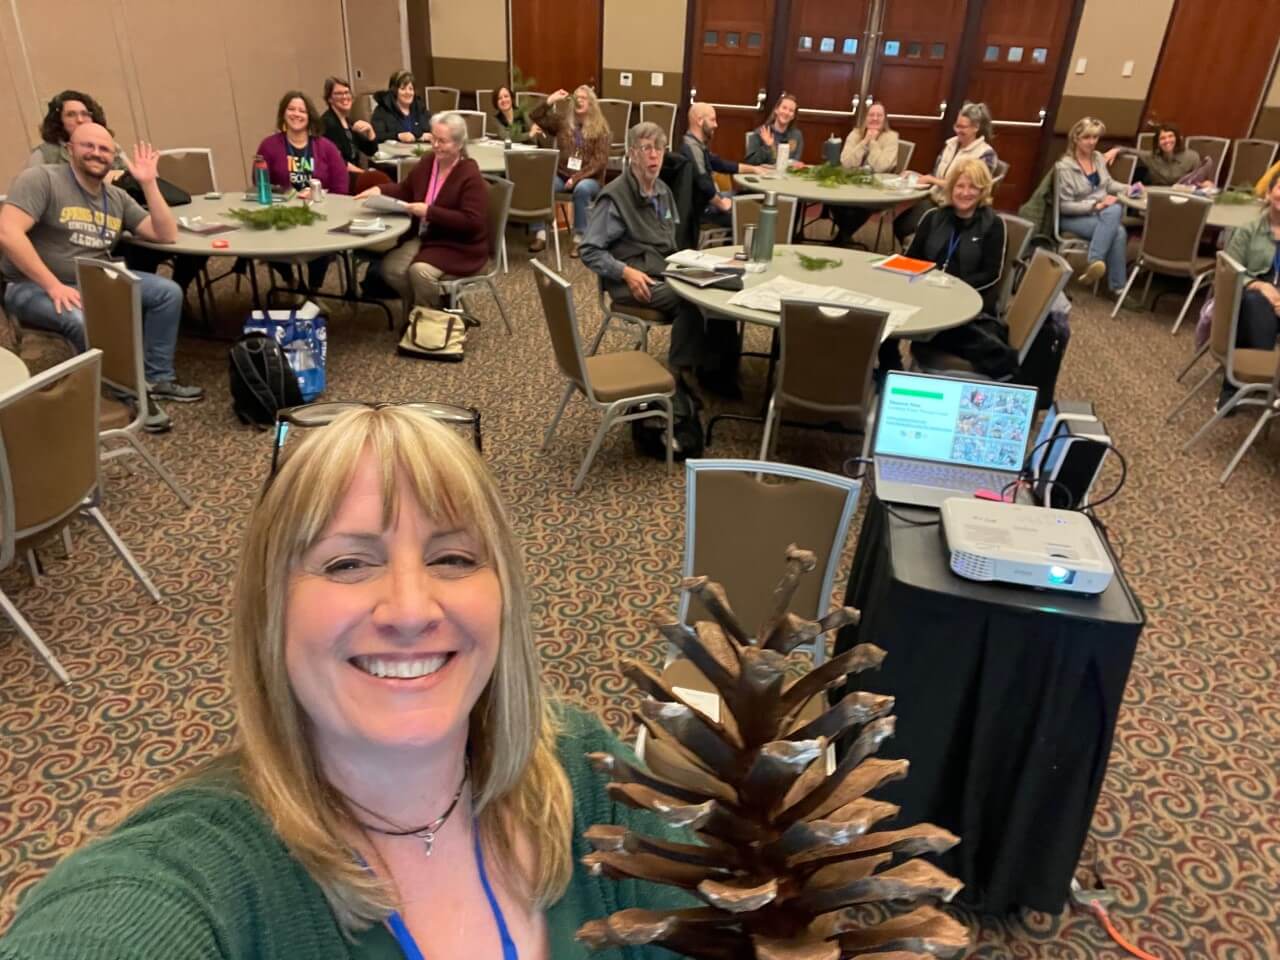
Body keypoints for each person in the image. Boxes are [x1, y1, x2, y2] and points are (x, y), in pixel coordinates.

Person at [0, 405, 692, 959]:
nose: (413, 611)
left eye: (452, 557)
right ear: (271, 609)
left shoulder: (584, 767)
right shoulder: (194, 875)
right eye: (347, 565)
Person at [0, 123, 202, 432]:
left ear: (113, 157)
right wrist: (52, 284)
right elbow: (8, 232)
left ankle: (157, 377)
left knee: (167, 293)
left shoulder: (116, 197)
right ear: (70, 149)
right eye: (88, 146)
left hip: (96, 281)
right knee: (82, 319)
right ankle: (129, 395)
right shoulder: (42, 180)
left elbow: (166, 234)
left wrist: (149, 183)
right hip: (33, 286)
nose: (97, 153)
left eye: (105, 148)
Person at [581, 121, 740, 397]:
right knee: (691, 297)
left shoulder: (663, 191)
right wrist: (624, 272)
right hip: (634, 280)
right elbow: (589, 250)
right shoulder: (615, 197)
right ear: (632, 153)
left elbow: (668, 242)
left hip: (665, 270)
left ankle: (716, 372)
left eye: (659, 148)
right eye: (646, 149)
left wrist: (700, 264)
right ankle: (680, 376)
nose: (654, 155)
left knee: (722, 287)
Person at [358, 112, 488, 310]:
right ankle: (427, 311)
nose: (435, 145)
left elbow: (472, 222)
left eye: (442, 141)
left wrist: (429, 211)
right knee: (391, 269)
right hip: (429, 237)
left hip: (459, 245)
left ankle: (427, 321)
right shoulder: (429, 162)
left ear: (459, 144)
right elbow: (405, 189)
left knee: (419, 272)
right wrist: (380, 190)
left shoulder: (469, 175)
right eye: (433, 138)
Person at [901, 159, 1015, 378]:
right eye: (960, 186)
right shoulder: (933, 218)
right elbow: (911, 260)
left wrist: (953, 288)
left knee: (944, 331)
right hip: (923, 295)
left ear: (983, 191)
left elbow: (992, 275)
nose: (965, 193)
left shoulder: (994, 225)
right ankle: (889, 366)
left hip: (968, 304)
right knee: (884, 317)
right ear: (951, 188)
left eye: (973, 187)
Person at [255, 91, 349, 292]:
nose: (296, 114)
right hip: (283, 213)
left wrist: (319, 195)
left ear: (310, 116)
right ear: (283, 114)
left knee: (320, 242)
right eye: (291, 109)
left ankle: (313, 290)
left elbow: (341, 188)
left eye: (302, 110)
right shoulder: (269, 146)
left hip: (320, 213)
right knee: (265, 238)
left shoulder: (326, 147)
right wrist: (289, 194)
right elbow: (259, 183)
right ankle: (291, 283)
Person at [1055, 116, 1141, 296]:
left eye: (1095, 138)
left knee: (1118, 228)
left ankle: (1100, 270)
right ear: (1076, 139)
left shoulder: (1098, 158)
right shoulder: (1064, 167)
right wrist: (1096, 205)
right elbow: (1064, 206)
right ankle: (1113, 281)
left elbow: (1108, 184)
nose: (1092, 142)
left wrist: (1130, 188)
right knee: (1117, 221)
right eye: (1087, 137)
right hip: (1073, 217)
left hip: (1098, 216)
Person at [895, 102, 997, 241]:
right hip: (934, 199)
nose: (957, 130)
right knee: (900, 224)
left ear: (976, 128)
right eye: (957, 125)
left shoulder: (985, 154)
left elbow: (971, 187)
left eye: (963, 127)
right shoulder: (950, 145)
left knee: (914, 230)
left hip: (956, 208)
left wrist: (931, 180)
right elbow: (937, 174)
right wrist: (916, 175)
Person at [527, 86, 610, 257]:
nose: (579, 100)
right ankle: (540, 233)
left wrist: (577, 178)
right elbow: (535, 116)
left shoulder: (601, 129)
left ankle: (579, 238)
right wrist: (550, 100)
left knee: (582, 189)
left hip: (590, 178)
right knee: (541, 183)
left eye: (583, 98)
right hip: (563, 174)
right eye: (576, 97)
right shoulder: (563, 121)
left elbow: (599, 162)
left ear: (591, 103)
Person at [1222, 169, 1280, 409]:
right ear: (1269, 193)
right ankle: (1260, 379)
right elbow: (1229, 272)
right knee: (1254, 303)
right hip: (1251, 295)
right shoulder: (1249, 228)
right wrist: (1259, 285)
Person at [681, 102, 767, 229]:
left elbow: (721, 165)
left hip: (709, 201)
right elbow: (703, 182)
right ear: (700, 120)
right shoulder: (692, 148)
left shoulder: (697, 144)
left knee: (748, 199)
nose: (716, 125)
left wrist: (754, 169)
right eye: (712, 120)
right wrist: (721, 203)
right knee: (753, 215)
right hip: (703, 209)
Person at [832, 102, 900, 244]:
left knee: (858, 207)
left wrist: (873, 142)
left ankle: (841, 238)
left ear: (884, 119)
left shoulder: (891, 137)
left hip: (875, 188)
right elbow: (846, 162)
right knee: (834, 201)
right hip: (850, 184)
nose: (875, 118)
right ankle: (844, 236)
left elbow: (881, 166)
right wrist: (864, 142)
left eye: (879, 115)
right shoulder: (855, 134)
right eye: (871, 115)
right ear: (865, 118)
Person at [26, 89, 123, 174]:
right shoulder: (44, 154)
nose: (80, 120)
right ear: (59, 120)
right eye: (71, 115)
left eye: (85, 114)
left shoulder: (111, 147)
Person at [320, 76, 378, 187]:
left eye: (347, 92)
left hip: (353, 175)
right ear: (329, 99)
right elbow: (339, 162)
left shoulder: (347, 122)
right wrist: (364, 173)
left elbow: (371, 150)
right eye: (339, 94)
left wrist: (370, 130)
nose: (345, 97)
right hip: (340, 178)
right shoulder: (328, 124)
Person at [744, 93, 804, 167]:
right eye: (784, 108)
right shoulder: (760, 132)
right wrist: (767, 146)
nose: (786, 113)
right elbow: (750, 162)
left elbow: (794, 162)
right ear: (776, 110)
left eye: (791, 110)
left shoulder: (797, 135)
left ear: (793, 116)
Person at [372, 71, 432, 144]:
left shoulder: (420, 107)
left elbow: (429, 128)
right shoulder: (382, 110)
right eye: (403, 88)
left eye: (411, 89)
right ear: (394, 91)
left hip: (419, 150)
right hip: (394, 152)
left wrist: (427, 135)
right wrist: (397, 136)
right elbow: (376, 136)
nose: (408, 92)